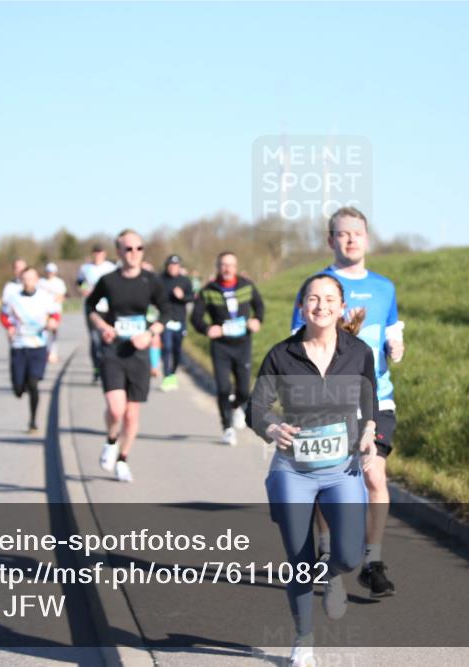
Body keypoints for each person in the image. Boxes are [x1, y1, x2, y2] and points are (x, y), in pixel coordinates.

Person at [250, 273, 377, 667]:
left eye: (328, 299)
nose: (320, 305)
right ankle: (303, 640)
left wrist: (370, 430)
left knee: (351, 556)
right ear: (302, 306)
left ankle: (335, 573)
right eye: (312, 299)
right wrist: (271, 426)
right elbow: (255, 408)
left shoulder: (358, 352)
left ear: (341, 307)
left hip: (342, 469)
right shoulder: (281, 354)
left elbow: (368, 397)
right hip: (294, 470)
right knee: (299, 557)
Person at [290, 206, 405, 598]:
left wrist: (396, 344)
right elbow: (298, 339)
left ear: (367, 238)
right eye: (342, 234)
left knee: (375, 476)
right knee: (327, 477)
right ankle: (325, 554)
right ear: (330, 240)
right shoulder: (317, 285)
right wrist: (340, 328)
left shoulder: (384, 287)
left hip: (376, 398)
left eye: (357, 233)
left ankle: (372, 562)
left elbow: (392, 330)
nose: (351, 239)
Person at [85, 230, 168, 482]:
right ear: (119, 252)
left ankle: (123, 459)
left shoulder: (151, 280)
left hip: (139, 353)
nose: (134, 253)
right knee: (115, 409)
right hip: (113, 351)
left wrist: (150, 333)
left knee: (132, 415)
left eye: (139, 248)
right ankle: (111, 440)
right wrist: (102, 327)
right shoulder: (109, 280)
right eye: (128, 249)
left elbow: (166, 313)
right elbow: (90, 306)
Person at [190, 251, 264, 446]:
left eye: (231, 265)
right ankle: (227, 428)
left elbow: (260, 307)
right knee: (223, 388)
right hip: (220, 346)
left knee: (243, 390)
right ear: (218, 267)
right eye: (223, 265)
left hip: (242, 344)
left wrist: (257, 320)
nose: (227, 268)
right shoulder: (208, 290)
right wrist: (207, 328)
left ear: (236, 267)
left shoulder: (247, 286)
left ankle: (236, 406)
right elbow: (195, 318)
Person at [0, 267, 61, 434]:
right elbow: (3, 315)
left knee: (33, 383)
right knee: (19, 388)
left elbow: (55, 314)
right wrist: (9, 327)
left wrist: (53, 322)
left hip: (38, 346)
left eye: (31, 278)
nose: (28, 282)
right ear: (21, 280)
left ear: (36, 280)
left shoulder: (45, 297)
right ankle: (20, 386)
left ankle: (33, 421)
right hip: (19, 345)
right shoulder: (13, 298)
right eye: (25, 279)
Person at [77, 245, 118, 383]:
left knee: (107, 338)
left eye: (100, 253)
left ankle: (108, 365)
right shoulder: (85, 268)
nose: (98, 255)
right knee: (95, 339)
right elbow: (80, 282)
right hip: (92, 308)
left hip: (107, 308)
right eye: (95, 253)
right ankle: (96, 368)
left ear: (104, 254)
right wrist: (83, 289)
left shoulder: (110, 267)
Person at [158, 254, 194, 391]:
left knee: (177, 349)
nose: (173, 268)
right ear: (167, 266)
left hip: (180, 320)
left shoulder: (185, 281)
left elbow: (191, 298)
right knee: (166, 347)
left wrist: (182, 296)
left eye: (176, 265)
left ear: (179, 267)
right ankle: (167, 376)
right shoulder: (160, 279)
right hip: (165, 319)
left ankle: (172, 373)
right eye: (171, 265)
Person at [38, 262, 67, 363]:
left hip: (55, 310)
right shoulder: (41, 282)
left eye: (51, 272)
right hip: (43, 311)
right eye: (48, 271)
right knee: (44, 331)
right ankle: (45, 352)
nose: (50, 273)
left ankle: (53, 352)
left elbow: (61, 296)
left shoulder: (59, 282)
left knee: (54, 331)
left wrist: (53, 299)